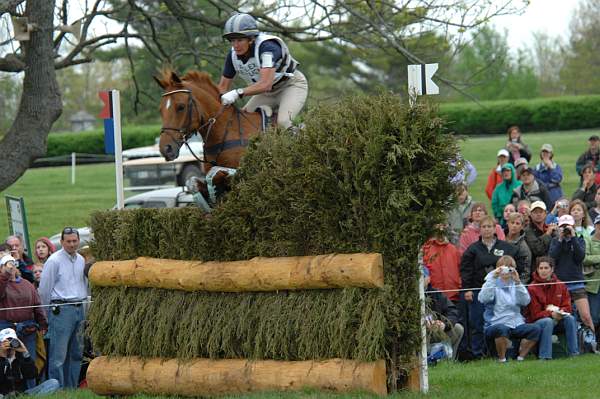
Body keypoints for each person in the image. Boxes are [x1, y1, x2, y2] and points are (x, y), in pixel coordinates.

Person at [217, 13, 308, 129]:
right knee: (242, 122)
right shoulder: (232, 55)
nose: (235, 45)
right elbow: (223, 87)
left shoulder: (267, 47)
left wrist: (237, 93)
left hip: (290, 86)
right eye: (232, 41)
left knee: (283, 123)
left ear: (251, 39)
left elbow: (266, 84)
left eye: (239, 40)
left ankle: (307, 137)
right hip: (266, 94)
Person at [460, 216, 525, 359]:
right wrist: (467, 289)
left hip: (501, 291)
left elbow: (518, 261)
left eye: (490, 226)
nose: (487, 229)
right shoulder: (473, 249)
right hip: (478, 291)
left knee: (498, 323)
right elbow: (466, 269)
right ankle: (478, 354)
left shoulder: (505, 247)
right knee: (477, 323)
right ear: (480, 230)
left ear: (495, 229)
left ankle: (500, 354)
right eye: (484, 227)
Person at [39, 227, 88, 388]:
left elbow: (84, 286)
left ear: (78, 241)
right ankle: (57, 389)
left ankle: (71, 388)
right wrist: (45, 315)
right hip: (61, 310)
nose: (72, 244)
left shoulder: (81, 259)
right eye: (68, 241)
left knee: (76, 353)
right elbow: (44, 290)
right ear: (61, 242)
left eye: (75, 241)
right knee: (58, 356)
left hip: (79, 308)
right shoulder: (54, 261)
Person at [479, 256, 540, 362]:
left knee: (535, 329)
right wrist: (493, 278)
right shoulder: (490, 281)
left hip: (515, 323)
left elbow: (525, 301)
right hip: (495, 323)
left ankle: (520, 358)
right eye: (503, 267)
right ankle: (502, 359)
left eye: (510, 268)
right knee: (502, 329)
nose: (507, 271)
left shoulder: (515, 283)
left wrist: (518, 283)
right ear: (497, 268)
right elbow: (483, 298)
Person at [0, 254, 47, 389]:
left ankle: (31, 391)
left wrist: (42, 323)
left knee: (29, 361)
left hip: (27, 329)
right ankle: (9, 391)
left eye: (12, 264)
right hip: (6, 330)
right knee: (8, 363)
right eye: (6, 265)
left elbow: (37, 304)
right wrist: (4, 275)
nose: (10, 268)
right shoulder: (2, 283)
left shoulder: (27, 284)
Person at [548, 214, 595, 334]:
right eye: (563, 226)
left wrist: (573, 237)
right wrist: (560, 239)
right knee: (560, 316)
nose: (566, 229)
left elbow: (580, 257)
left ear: (573, 226)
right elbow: (552, 257)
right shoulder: (555, 241)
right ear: (559, 227)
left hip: (577, 283)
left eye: (568, 226)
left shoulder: (579, 240)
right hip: (560, 284)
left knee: (586, 316)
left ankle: (593, 344)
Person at [525, 257, 579, 359]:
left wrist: (561, 312)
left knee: (570, 319)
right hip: (539, 322)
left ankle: (574, 354)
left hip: (559, 318)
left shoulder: (561, 285)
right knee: (548, 321)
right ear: (537, 270)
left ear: (552, 269)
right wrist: (551, 314)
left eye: (546, 268)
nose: (543, 271)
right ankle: (545, 356)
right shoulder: (532, 288)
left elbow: (568, 306)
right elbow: (534, 314)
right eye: (541, 268)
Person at [0, 328, 59, 396]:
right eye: (6, 341)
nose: (10, 343)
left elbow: (32, 375)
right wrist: (2, 357)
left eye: (12, 340)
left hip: (22, 394)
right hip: (3, 395)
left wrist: (25, 352)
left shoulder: (21, 356)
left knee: (53, 383)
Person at [423, 267, 464, 360]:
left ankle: (449, 360)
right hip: (420, 332)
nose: (420, 280)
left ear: (428, 279)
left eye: (423, 277)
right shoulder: (410, 296)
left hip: (436, 330)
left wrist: (443, 324)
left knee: (458, 328)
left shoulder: (436, 294)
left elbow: (452, 311)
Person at [422, 224, 462, 303]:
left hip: (453, 296)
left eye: (443, 231)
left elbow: (461, 269)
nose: (440, 234)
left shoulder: (453, 249)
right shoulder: (426, 249)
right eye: (437, 231)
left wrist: (459, 285)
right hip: (433, 296)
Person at [525, 201, 557, 267]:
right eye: (535, 212)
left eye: (541, 212)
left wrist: (556, 233)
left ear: (545, 213)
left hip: (551, 268)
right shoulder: (528, 230)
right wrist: (548, 234)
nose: (538, 214)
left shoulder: (550, 228)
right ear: (531, 214)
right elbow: (537, 249)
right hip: (535, 269)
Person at [583, 215, 600, 330]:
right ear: (595, 225)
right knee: (593, 317)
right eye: (599, 224)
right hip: (593, 285)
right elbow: (584, 258)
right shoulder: (588, 239)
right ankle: (590, 343)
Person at [504, 212, 532, 283]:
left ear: (522, 226)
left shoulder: (524, 248)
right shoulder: (499, 238)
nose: (514, 226)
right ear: (508, 223)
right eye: (512, 222)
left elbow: (525, 273)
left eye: (517, 223)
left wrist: (517, 286)